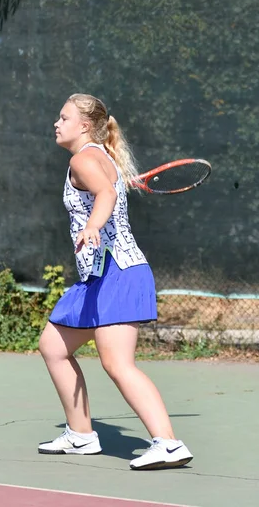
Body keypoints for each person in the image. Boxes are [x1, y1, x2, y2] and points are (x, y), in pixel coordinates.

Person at [37, 93, 193, 471]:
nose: (57, 123)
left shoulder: (83, 159)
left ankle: (169, 444)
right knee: (53, 346)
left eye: (64, 117)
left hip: (116, 272)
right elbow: (107, 190)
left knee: (118, 364)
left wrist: (92, 224)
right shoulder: (101, 158)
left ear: (85, 126)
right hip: (98, 276)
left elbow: (105, 194)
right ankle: (81, 435)